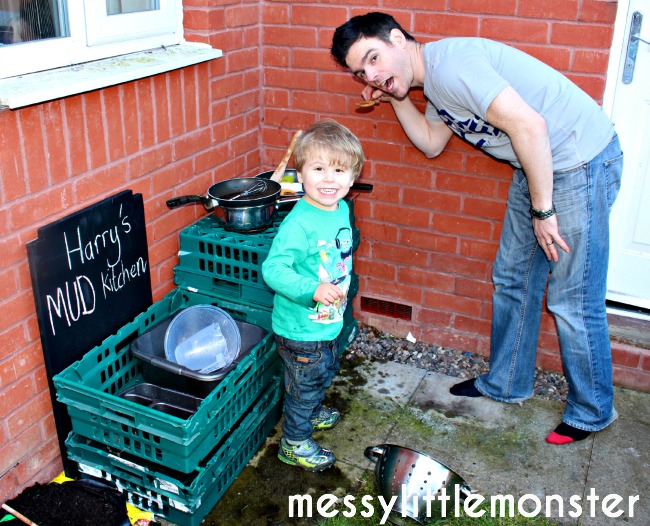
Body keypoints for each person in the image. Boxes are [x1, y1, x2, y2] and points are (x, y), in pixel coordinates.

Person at [331, 12, 623, 445]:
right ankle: (507, 383)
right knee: (512, 278)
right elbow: (432, 143)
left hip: (578, 164)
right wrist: (394, 95)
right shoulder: (434, 86)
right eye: (361, 72)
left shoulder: (453, 65)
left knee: (572, 299)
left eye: (374, 58)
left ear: (397, 38)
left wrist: (544, 212)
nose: (371, 74)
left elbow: (530, 124)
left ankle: (594, 410)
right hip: (536, 165)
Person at [261, 119, 365, 470]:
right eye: (318, 169)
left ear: (352, 179)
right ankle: (294, 442)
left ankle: (312, 409)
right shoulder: (299, 223)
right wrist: (313, 289)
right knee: (304, 385)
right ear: (300, 175)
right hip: (301, 329)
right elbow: (273, 270)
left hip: (328, 322)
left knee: (324, 371)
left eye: (339, 170)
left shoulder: (341, 209)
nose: (329, 179)